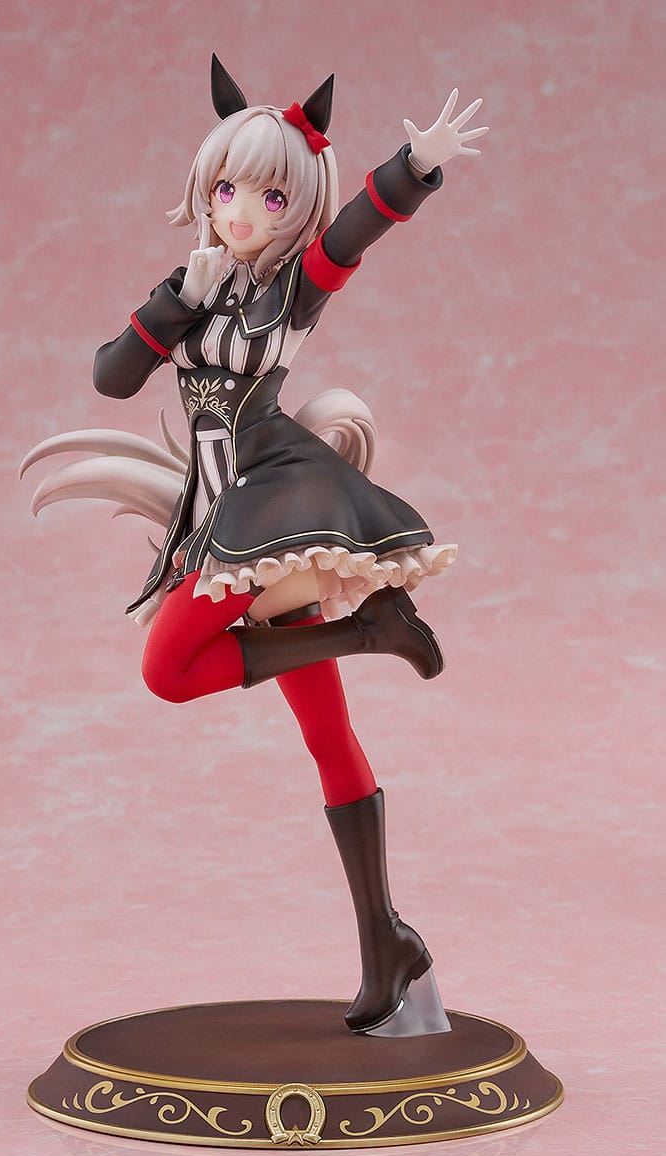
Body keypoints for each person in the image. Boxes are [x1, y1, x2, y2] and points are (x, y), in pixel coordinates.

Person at [29, 56, 487, 1035]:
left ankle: (368, 636)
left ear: (293, 205)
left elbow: (351, 236)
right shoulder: (187, 285)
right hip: (224, 517)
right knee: (328, 738)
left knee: (167, 670)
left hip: (272, 504)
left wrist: (412, 167)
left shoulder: (291, 292)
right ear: (207, 188)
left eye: (270, 196)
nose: (243, 212)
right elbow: (112, 377)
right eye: (229, 190)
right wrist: (177, 299)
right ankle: (388, 942)